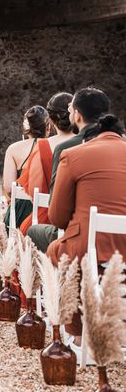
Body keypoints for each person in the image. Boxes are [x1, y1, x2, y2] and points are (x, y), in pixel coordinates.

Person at [45, 113, 126, 342]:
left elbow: (57, 217)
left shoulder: (74, 155)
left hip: (90, 251)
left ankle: (80, 333)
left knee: (56, 251)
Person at [28, 87, 111, 251]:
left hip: (84, 239)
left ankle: (53, 276)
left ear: (78, 115)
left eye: (71, 109)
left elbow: (57, 215)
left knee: (33, 231)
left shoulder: (67, 150)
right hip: (120, 234)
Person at [15, 92, 74, 235]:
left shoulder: (42, 146)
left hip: (47, 217)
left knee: (26, 233)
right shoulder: (88, 143)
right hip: (78, 218)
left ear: (51, 121)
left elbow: (33, 191)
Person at [2, 105, 49, 230]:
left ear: (26, 127)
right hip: (47, 213)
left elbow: (8, 187)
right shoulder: (54, 146)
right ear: (48, 127)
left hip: (19, 212)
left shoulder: (13, 149)